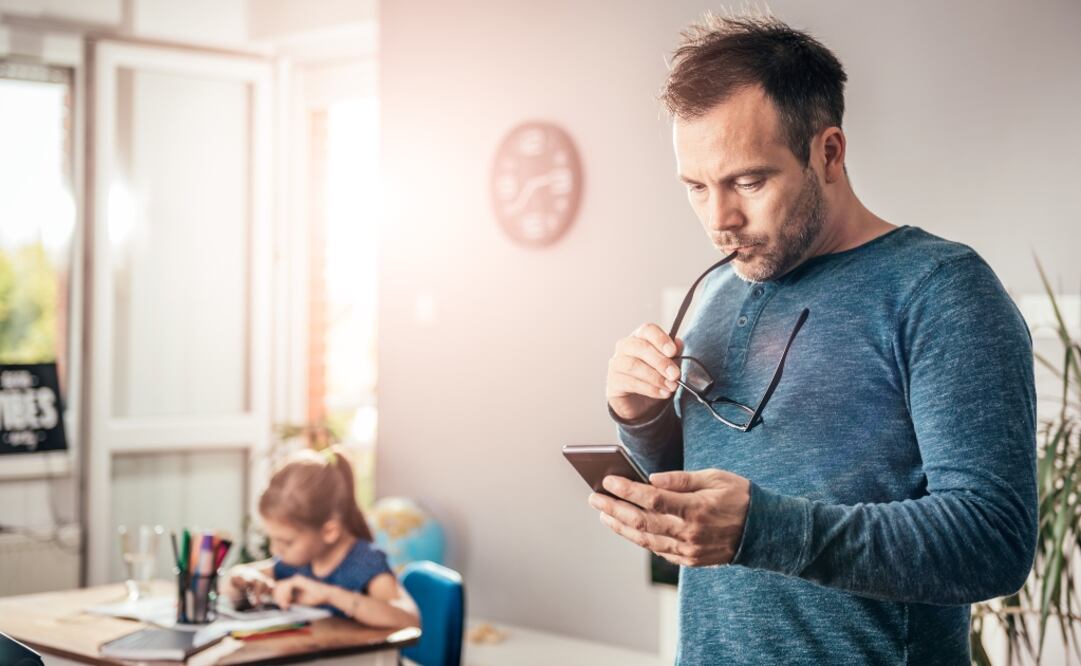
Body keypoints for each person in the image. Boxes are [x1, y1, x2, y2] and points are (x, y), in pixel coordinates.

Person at [593, 12, 1037, 665]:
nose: (719, 219)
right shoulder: (717, 293)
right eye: (696, 187)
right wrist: (640, 416)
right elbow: (692, 499)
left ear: (828, 152)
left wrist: (762, 529)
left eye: (748, 181)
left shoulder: (940, 290)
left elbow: (993, 540)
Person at [223, 447, 419, 629]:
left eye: (286, 542)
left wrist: (328, 594)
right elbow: (231, 584)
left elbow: (408, 620)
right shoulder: (297, 562)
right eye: (272, 539)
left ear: (329, 532)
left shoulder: (366, 562)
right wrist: (241, 577)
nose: (275, 550)